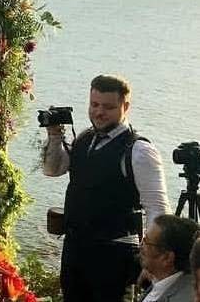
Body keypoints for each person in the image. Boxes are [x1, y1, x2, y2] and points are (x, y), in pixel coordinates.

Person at [43, 74, 170, 302]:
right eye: (94, 105)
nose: (99, 112)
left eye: (108, 107)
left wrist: (151, 262)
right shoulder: (84, 138)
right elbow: (53, 170)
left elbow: (158, 209)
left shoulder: (139, 150)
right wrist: (54, 135)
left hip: (115, 255)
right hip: (75, 250)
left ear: (126, 106)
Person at [138, 214, 198, 302]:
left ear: (166, 258)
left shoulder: (183, 298)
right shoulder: (162, 281)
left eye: (146, 241)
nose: (140, 246)